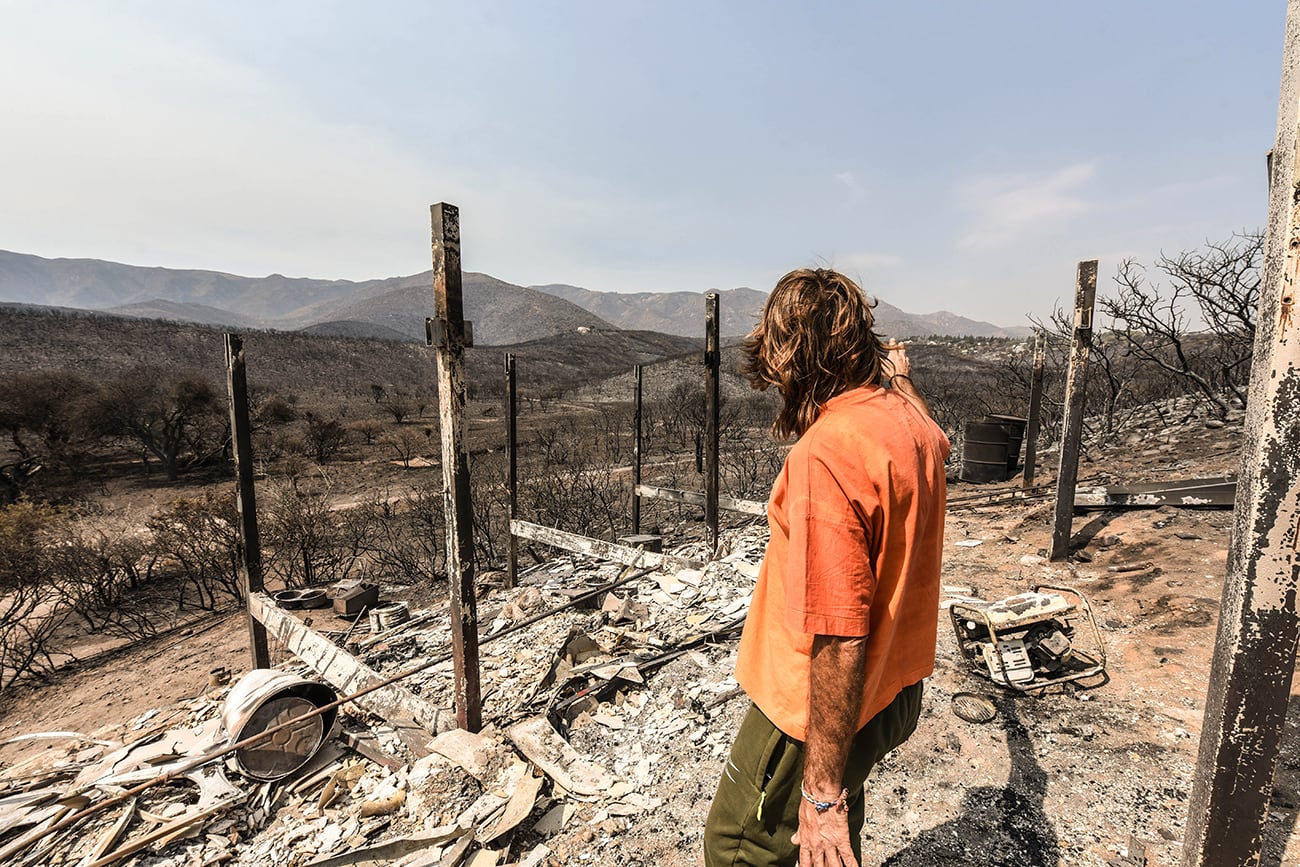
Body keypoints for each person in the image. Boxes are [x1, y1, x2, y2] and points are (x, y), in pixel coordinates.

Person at [703, 268, 950, 867]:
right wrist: (903, 383)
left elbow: (839, 633)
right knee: (831, 843)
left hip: (808, 713)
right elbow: (940, 441)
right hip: (891, 691)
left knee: (738, 847)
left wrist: (817, 794)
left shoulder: (829, 453)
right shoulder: (909, 422)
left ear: (799, 358)